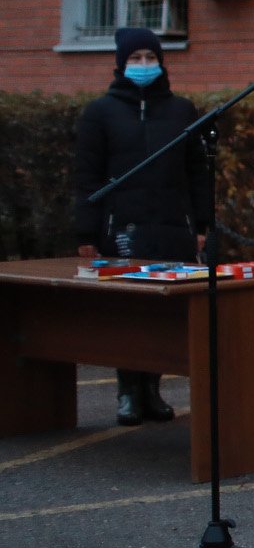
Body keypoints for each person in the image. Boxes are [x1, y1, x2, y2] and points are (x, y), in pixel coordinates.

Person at [73, 27, 211, 426]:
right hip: (122, 228)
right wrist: (86, 232)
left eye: (151, 58)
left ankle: (152, 390)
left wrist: (201, 223)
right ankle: (127, 393)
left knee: (164, 316)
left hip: (171, 226)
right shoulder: (101, 112)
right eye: (136, 59)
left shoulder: (181, 110)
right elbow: (87, 176)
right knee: (129, 314)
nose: (144, 65)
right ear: (121, 64)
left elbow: (197, 170)